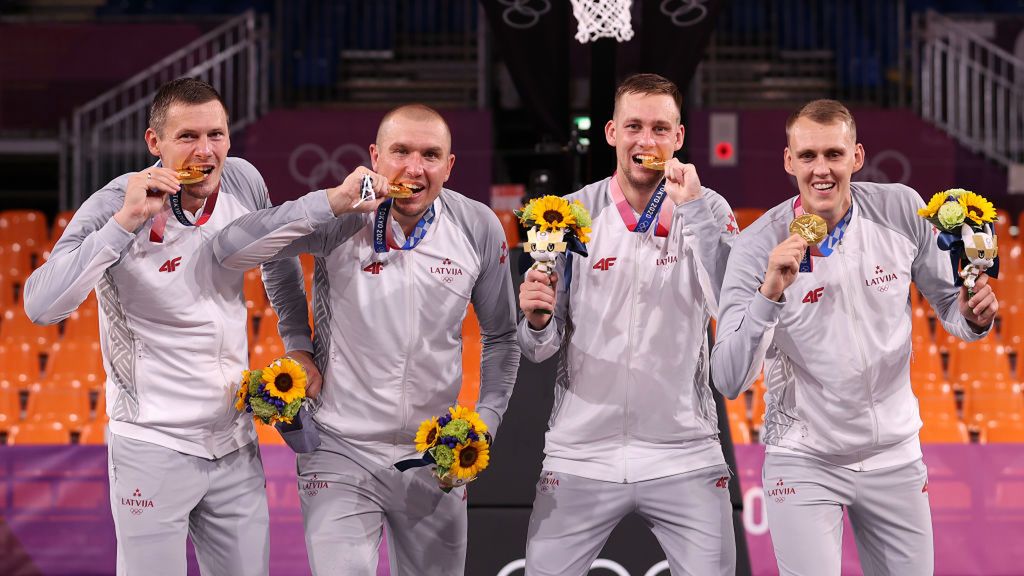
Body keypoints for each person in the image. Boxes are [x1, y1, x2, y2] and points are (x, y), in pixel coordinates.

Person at [23, 77, 316, 576]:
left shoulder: (243, 180)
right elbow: (40, 304)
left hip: (233, 442)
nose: (206, 151)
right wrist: (123, 223)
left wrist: (298, 343)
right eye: (188, 137)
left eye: (217, 135)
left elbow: (278, 258)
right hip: (151, 443)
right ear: (154, 143)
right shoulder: (113, 202)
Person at [212, 103, 520, 575]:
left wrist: (486, 422)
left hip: (433, 457)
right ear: (375, 157)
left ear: (450, 165)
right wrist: (329, 203)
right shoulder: (342, 217)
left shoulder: (477, 226)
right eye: (400, 152)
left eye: (430, 155)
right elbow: (233, 246)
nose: (414, 168)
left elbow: (502, 337)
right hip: (340, 450)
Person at [710, 99, 998, 576]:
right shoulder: (757, 245)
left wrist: (972, 316)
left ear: (857, 157)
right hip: (805, 460)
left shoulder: (903, 209)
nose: (821, 169)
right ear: (788, 161)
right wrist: (769, 294)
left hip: (895, 457)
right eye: (807, 157)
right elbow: (728, 377)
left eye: (834, 155)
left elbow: (951, 307)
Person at [517, 73, 738, 576]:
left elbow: (732, 305)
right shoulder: (568, 215)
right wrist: (534, 321)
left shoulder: (708, 208)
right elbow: (539, 349)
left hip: (685, 453)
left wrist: (698, 213)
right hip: (580, 455)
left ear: (679, 138)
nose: (647, 140)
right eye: (634, 126)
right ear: (612, 132)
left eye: (661, 128)